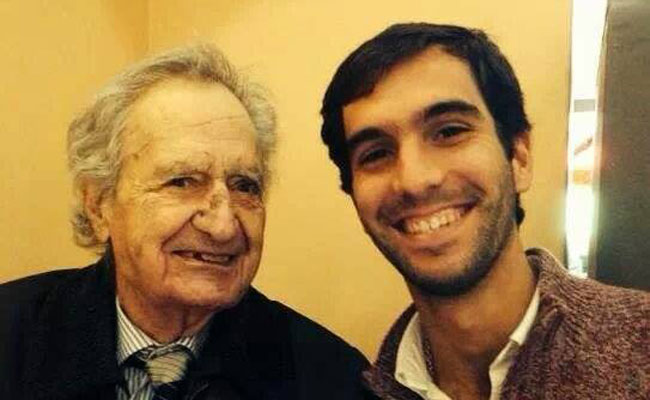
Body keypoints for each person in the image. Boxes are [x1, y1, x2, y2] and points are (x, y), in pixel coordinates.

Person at [0, 44, 371, 400]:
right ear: (98, 206)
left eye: (244, 186)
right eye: (182, 182)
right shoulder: (11, 334)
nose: (223, 226)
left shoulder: (331, 378)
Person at [320, 23, 649, 399]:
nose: (414, 180)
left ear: (519, 157)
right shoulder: (354, 389)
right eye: (376, 153)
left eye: (449, 131)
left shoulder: (639, 346)